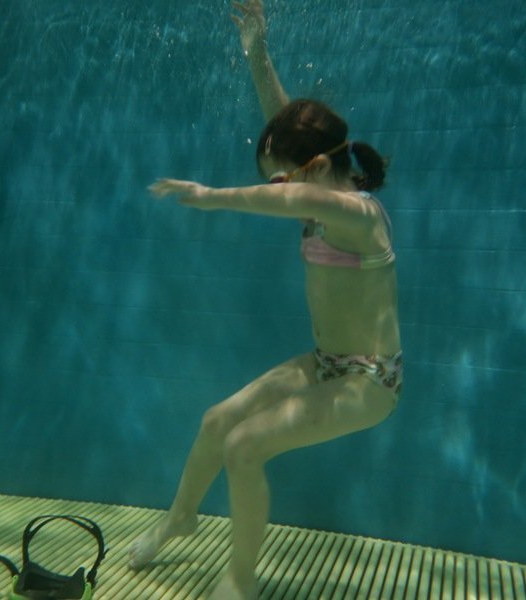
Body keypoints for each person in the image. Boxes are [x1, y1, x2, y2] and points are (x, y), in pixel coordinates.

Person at [129, 1, 402, 598]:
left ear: (316, 168)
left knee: (245, 446)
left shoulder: (356, 213)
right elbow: (284, 125)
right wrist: (257, 50)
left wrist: (209, 195)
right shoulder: (318, 184)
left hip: (370, 381)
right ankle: (180, 517)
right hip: (327, 364)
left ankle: (241, 577)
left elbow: (286, 197)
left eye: (281, 177)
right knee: (217, 422)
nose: (277, 187)